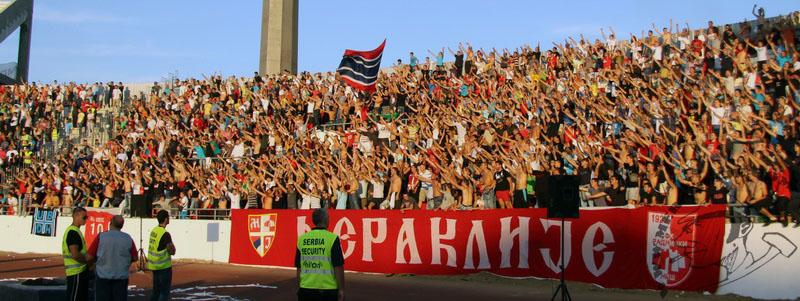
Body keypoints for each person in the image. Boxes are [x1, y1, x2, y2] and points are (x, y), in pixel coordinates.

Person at [295, 208, 345, 301]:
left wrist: (299, 287)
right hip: (328, 290)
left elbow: (299, 267)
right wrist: (341, 289)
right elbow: (338, 266)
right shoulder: (332, 238)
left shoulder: (302, 239)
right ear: (326, 220)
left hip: (306, 288)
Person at [87, 215, 138, 301]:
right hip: (121, 277)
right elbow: (135, 257)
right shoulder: (127, 238)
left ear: (110, 223)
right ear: (122, 225)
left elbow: (89, 257)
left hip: (103, 276)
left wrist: (92, 266)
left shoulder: (101, 236)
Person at [147, 210, 176, 301]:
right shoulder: (165, 234)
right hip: (164, 266)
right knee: (164, 293)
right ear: (166, 219)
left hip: (154, 265)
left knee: (156, 291)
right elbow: (171, 251)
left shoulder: (154, 230)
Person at [63, 207, 89, 301]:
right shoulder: (73, 232)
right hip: (76, 272)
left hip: (78, 271)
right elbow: (75, 254)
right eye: (84, 217)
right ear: (76, 215)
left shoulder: (75, 231)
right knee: (74, 297)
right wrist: (87, 261)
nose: (86, 219)